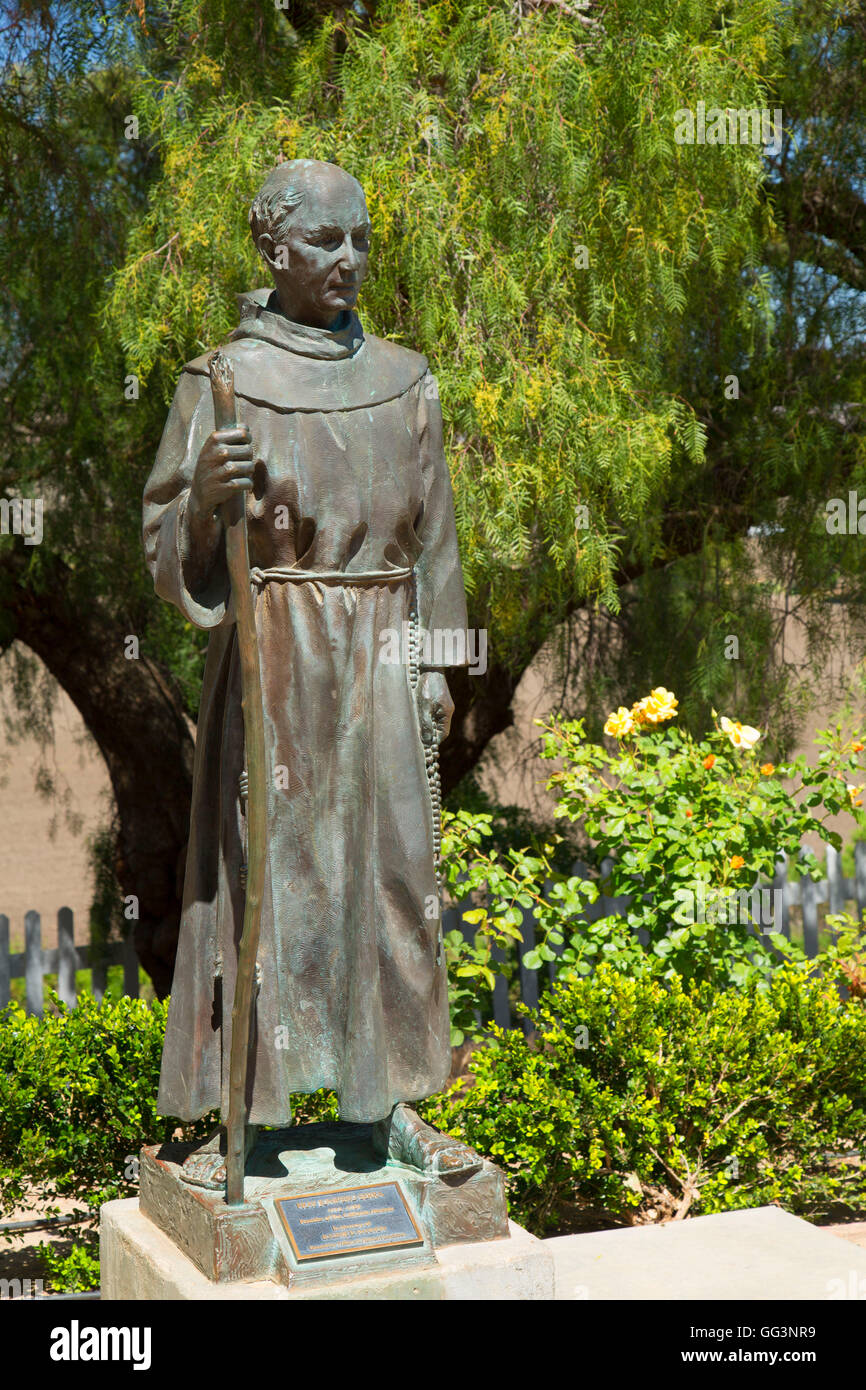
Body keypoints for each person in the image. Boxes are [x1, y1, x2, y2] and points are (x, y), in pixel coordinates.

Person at [142, 158, 480, 1187]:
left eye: (360, 240)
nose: (348, 259)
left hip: (381, 651)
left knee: (390, 879)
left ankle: (390, 1108)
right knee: (266, 882)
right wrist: (202, 497)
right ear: (273, 249)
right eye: (326, 241)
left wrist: (435, 666)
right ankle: (242, 1120)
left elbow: (437, 548)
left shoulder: (407, 378)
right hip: (274, 654)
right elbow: (167, 547)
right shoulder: (222, 382)